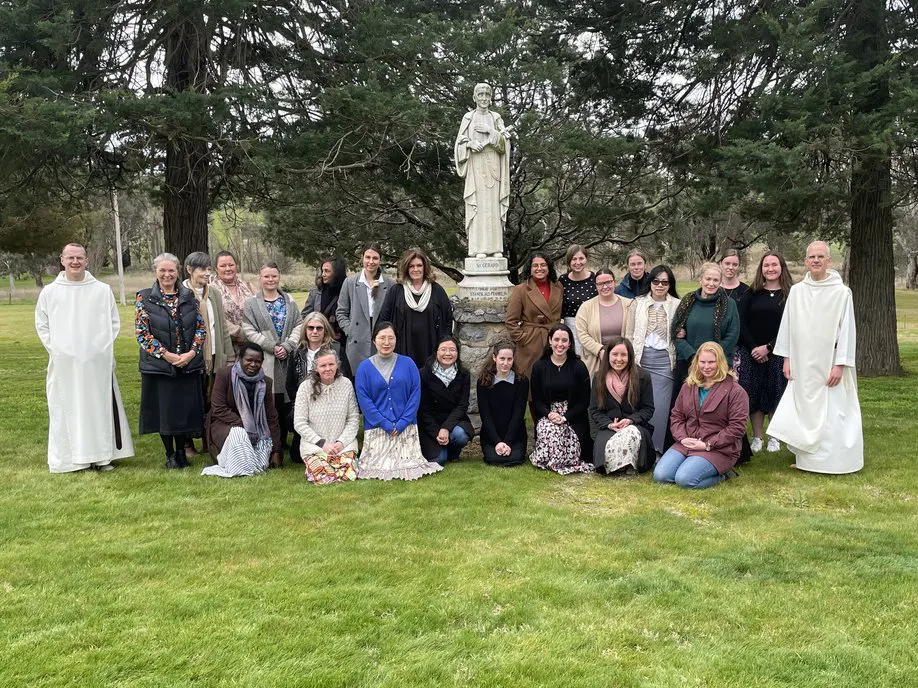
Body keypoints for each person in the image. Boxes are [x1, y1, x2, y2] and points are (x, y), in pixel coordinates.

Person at [35, 242, 134, 473]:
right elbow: (43, 325)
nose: (75, 262)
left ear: (87, 261)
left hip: (96, 363)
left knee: (98, 408)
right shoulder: (50, 292)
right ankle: (71, 459)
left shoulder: (102, 290)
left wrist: (98, 350)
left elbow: (113, 324)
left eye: (79, 258)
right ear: (62, 260)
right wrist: (59, 350)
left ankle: (101, 457)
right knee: (67, 408)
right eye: (70, 258)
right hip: (64, 364)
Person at [767, 241, 863, 474]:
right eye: (812, 257)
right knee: (804, 410)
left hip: (829, 363)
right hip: (802, 364)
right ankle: (806, 461)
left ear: (829, 261)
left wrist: (840, 365)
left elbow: (847, 331)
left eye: (821, 257)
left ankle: (834, 461)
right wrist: (787, 359)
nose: (816, 261)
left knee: (833, 411)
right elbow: (787, 327)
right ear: (806, 261)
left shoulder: (842, 293)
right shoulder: (798, 292)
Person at [135, 252, 206, 469]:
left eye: (171, 270)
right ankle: (169, 454)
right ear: (156, 272)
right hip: (160, 366)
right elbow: (142, 333)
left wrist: (191, 354)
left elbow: (200, 328)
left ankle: (181, 451)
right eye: (162, 270)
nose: (167, 275)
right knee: (164, 413)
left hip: (186, 365)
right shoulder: (144, 297)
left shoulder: (188, 297)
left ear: (178, 272)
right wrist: (166, 355)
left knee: (183, 411)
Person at [354, 322, 443, 480]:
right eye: (382, 338)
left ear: (396, 340)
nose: (386, 342)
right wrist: (385, 424)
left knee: (408, 467)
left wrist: (402, 422)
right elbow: (365, 402)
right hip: (377, 427)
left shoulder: (408, 363)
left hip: (405, 427)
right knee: (376, 467)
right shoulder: (364, 368)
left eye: (391, 338)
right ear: (374, 340)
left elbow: (415, 396)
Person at [654, 342, 749, 489]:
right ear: (696, 362)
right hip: (688, 442)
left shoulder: (735, 391)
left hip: (718, 448)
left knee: (685, 480)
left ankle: (723, 475)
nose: (706, 366)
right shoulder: (688, 386)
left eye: (711, 362)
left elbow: (737, 428)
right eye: (702, 362)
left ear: (720, 362)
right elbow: (677, 416)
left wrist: (707, 445)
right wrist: (683, 438)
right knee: (660, 476)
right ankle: (691, 464)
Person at [242, 262, 303, 458]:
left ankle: (284, 438)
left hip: (286, 358)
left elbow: (299, 325)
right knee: (268, 398)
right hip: (265, 359)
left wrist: (287, 346)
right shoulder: (252, 303)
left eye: (274, 276)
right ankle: (268, 439)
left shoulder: (289, 300)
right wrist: (271, 346)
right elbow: (248, 329)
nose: (270, 280)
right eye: (266, 276)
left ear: (279, 277)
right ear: (260, 279)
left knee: (286, 398)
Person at [737, 252, 793, 453]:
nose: (770, 269)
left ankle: (775, 437)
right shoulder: (751, 293)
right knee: (754, 394)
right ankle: (758, 437)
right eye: (766, 265)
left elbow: (792, 326)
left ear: (781, 267)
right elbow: (741, 323)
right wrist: (754, 348)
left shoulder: (790, 294)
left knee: (776, 392)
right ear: (761, 269)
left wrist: (768, 347)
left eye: (774, 265)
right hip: (751, 353)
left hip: (779, 353)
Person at [182, 251, 235, 456]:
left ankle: (208, 440)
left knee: (212, 399)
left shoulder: (213, 293)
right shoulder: (182, 293)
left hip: (214, 355)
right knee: (191, 399)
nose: (207, 273)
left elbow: (220, 326)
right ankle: (187, 442)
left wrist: (228, 356)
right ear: (189, 270)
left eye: (208, 269)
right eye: (202, 269)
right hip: (191, 357)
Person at [623, 264, 680, 454]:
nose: (660, 285)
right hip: (642, 360)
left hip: (665, 362)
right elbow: (628, 334)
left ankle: (657, 450)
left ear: (670, 284)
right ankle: (638, 449)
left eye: (665, 282)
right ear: (650, 282)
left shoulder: (677, 305)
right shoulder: (637, 303)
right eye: (656, 281)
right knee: (639, 405)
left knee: (661, 408)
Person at [203, 343, 282, 477]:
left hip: (256, 428)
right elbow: (218, 408)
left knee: (263, 458)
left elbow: (271, 416)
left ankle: (250, 462)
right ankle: (239, 466)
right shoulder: (224, 374)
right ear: (240, 358)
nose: (253, 364)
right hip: (225, 423)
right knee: (239, 434)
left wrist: (276, 450)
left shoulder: (265, 382)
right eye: (249, 360)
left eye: (257, 361)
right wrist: (245, 424)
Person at [454, 82, 511, 258]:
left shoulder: (496, 118)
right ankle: (478, 249)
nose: (484, 98)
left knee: (492, 207)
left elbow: (504, 144)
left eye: (487, 94)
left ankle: (495, 249)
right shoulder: (468, 118)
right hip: (475, 167)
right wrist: (470, 144)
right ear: (474, 97)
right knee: (478, 206)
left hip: (494, 167)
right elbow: (459, 143)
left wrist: (490, 132)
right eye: (481, 94)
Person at [529, 324, 594, 474]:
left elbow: (585, 400)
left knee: (569, 437)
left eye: (564, 340)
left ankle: (566, 459)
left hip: (573, 416)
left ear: (570, 343)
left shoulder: (579, 367)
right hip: (548, 415)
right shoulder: (539, 367)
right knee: (552, 432)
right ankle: (553, 459)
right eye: (556, 339)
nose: (560, 344)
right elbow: (536, 400)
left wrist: (565, 417)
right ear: (550, 341)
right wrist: (549, 414)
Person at [588, 337, 656, 474]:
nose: (619, 359)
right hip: (609, 428)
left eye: (623, 355)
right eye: (615, 354)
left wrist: (631, 420)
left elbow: (648, 409)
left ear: (630, 357)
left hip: (635, 426)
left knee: (631, 434)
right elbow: (595, 410)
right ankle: (618, 465)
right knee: (607, 449)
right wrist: (609, 424)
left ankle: (630, 464)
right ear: (608, 356)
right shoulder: (598, 377)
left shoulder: (643, 376)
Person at [293, 348, 361, 484]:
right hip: (316, 446)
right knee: (324, 477)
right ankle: (315, 467)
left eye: (331, 364)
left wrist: (341, 443)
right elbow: (300, 423)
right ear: (316, 368)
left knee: (348, 475)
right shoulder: (305, 387)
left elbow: (353, 418)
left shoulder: (346, 384)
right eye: (323, 366)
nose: (328, 369)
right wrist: (322, 444)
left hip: (343, 446)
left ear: (337, 365)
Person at [377, 247, 453, 368]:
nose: (415, 269)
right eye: (411, 266)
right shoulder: (396, 291)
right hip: (403, 350)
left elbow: (448, 320)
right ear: (406, 268)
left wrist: (443, 347)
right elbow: (384, 320)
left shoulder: (437, 290)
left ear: (425, 267)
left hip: (431, 348)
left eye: (419, 265)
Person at [285, 311, 341, 464]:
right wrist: (302, 405)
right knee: (296, 457)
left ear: (325, 330)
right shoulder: (297, 353)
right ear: (305, 330)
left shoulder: (336, 350)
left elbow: (343, 380)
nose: (314, 332)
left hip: (331, 404)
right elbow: (290, 384)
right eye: (310, 328)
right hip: (305, 405)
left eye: (319, 328)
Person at [336, 243, 395, 375]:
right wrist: (350, 330)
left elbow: (394, 313)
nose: (371, 262)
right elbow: (341, 312)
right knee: (358, 383)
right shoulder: (350, 283)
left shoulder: (390, 284)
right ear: (362, 258)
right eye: (367, 257)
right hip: (357, 342)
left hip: (381, 340)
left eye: (375, 258)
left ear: (380, 260)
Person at [505, 251, 562, 378]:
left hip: (554, 340)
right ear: (529, 269)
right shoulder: (520, 290)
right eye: (535, 265)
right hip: (530, 343)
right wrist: (523, 338)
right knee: (531, 379)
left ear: (549, 267)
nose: (539, 268)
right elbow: (511, 321)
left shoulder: (558, 287)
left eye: (543, 265)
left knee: (554, 377)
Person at [418, 337, 474, 464]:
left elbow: (462, 405)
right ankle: (441, 449)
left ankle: (453, 452)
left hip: (453, 422)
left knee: (460, 435)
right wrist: (436, 431)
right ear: (436, 352)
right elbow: (422, 409)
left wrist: (446, 428)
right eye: (443, 349)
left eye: (452, 350)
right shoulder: (423, 374)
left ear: (457, 353)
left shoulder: (464, 375)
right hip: (430, 424)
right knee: (439, 460)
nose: (448, 354)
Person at [476, 341, 529, 467]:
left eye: (509, 359)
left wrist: (508, 442)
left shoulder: (521, 381)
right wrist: (498, 442)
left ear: (513, 359)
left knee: (515, 459)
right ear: (494, 358)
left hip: (515, 434)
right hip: (492, 435)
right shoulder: (484, 381)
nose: (505, 363)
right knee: (493, 459)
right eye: (502, 359)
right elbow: (485, 415)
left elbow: (518, 414)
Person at [575, 268, 632, 377]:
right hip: (596, 359)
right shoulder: (586, 307)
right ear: (596, 286)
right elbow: (582, 334)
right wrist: (600, 350)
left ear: (614, 282)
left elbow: (632, 332)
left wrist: (620, 352)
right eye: (600, 284)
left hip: (622, 358)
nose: (605, 287)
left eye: (608, 282)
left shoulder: (629, 305)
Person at [301, 256, 349, 376]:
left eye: (327, 271)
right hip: (319, 342)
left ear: (336, 272)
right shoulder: (316, 292)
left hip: (343, 344)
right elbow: (305, 316)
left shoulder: (348, 290)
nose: (323, 274)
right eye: (322, 271)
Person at [210, 250, 255, 347]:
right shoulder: (210, 290)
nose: (228, 269)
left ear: (236, 266)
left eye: (231, 265)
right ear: (216, 269)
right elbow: (214, 318)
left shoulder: (249, 286)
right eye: (223, 266)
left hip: (253, 345)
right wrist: (240, 333)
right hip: (226, 347)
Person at [559, 244, 597, 355]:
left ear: (586, 259)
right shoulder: (563, 280)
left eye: (581, 258)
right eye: (574, 259)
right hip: (570, 327)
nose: (578, 262)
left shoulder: (594, 279)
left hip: (591, 327)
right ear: (569, 261)